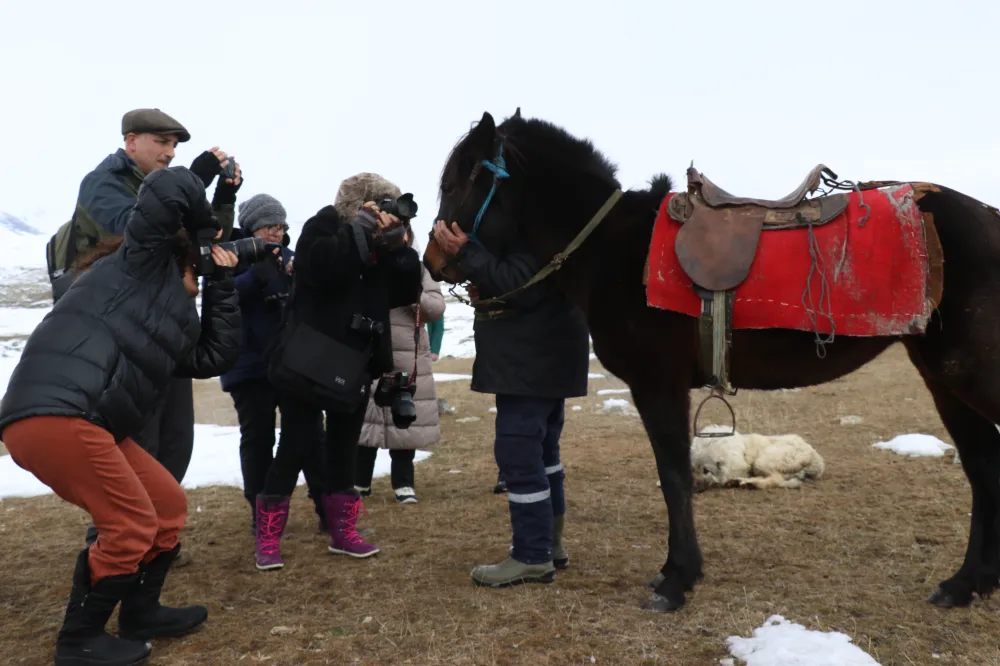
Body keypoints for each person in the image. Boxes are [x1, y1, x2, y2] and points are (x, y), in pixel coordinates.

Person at [0, 166, 241, 665]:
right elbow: (168, 186)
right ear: (180, 256)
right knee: (130, 522)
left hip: (89, 420)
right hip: (56, 414)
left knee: (167, 506)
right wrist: (205, 225)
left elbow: (211, 359)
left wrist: (224, 286)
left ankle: (140, 614)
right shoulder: (138, 263)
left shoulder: (173, 311)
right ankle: (79, 640)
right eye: (199, 267)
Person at [52, 108, 243, 567]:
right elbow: (137, 231)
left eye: (175, 146)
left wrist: (222, 197)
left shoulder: (161, 186)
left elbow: (200, 242)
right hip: (117, 336)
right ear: (131, 140)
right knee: (135, 438)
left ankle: (157, 537)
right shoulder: (101, 183)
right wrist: (189, 180)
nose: (169, 153)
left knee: (176, 439)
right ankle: (114, 539)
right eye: (162, 143)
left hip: (163, 328)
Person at [267, 175, 423, 561]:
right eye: (380, 204)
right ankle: (268, 539)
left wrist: (398, 246)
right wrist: (361, 232)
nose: (386, 212)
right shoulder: (323, 225)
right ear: (361, 205)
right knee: (295, 445)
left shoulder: (380, 244)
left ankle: (344, 533)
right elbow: (318, 268)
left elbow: (405, 292)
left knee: (343, 452)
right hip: (307, 359)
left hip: (355, 362)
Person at [433, 216, 590, 587]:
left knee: (519, 453)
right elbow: (527, 285)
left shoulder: (535, 221)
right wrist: (487, 286)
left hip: (531, 357)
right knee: (544, 454)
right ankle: (549, 547)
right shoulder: (551, 218)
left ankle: (532, 555)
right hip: (546, 352)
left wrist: (466, 254)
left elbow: (523, 283)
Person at [218, 193, 330, 570]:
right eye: (269, 226)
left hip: (293, 363)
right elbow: (222, 297)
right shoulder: (230, 254)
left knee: (311, 434)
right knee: (259, 437)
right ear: (251, 227)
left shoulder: (290, 257)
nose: (276, 234)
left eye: (280, 227)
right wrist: (256, 275)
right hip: (248, 365)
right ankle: (260, 511)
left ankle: (326, 507)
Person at [336, 175, 446, 504]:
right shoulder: (368, 263)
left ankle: (403, 483)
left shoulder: (417, 269)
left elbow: (435, 308)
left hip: (408, 355)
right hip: (373, 351)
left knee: (405, 422)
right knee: (366, 425)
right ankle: (360, 481)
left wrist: (412, 291)